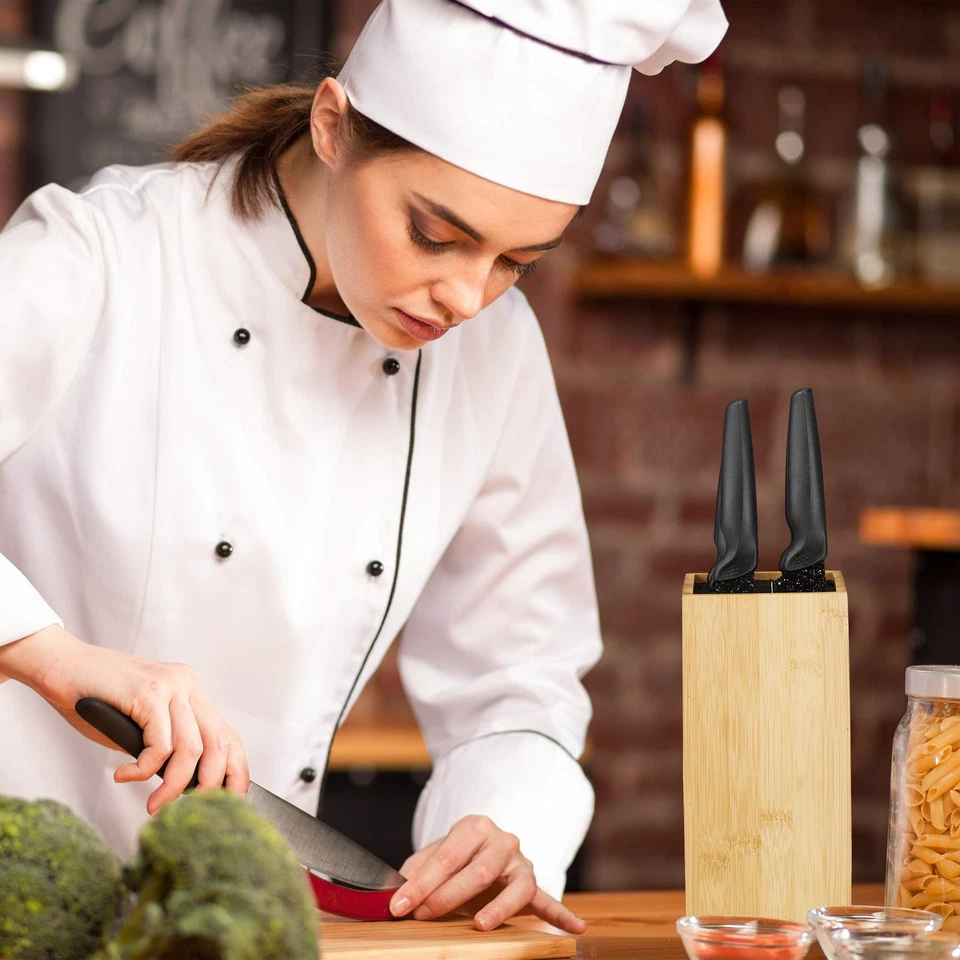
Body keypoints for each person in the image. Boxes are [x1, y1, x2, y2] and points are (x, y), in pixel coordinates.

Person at [0, 0, 726, 933]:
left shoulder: (494, 352)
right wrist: (52, 656)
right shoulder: (105, 255)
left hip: (239, 919)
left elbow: (522, 672)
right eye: (436, 234)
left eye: (519, 262)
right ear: (333, 126)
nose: (467, 296)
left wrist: (501, 825)